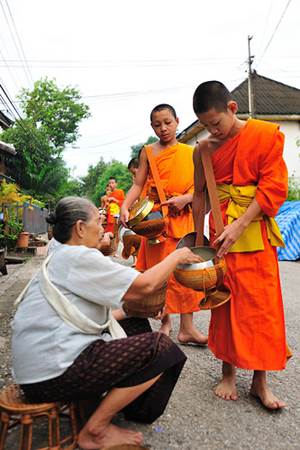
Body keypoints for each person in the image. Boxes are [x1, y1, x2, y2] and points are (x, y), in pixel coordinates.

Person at [11, 196, 201, 449]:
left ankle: (118, 403)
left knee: (136, 325)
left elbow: (102, 313)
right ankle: (95, 430)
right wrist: (177, 257)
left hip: (37, 371)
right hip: (50, 377)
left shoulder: (61, 252)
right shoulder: (78, 257)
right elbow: (145, 285)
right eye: (98, 223)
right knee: (161, 347)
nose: (104, 229)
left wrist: (136, 311)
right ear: (79, 228)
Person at [192, 80, 289, 410]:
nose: (211, 132)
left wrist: (240, 224)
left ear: (232, 109)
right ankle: (228, 374)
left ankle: (261, 383)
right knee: (224, 301)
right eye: (205, 126)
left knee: (262, 307)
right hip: (220, 233)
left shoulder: (264, 135)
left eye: (215, 124)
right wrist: (196, 240)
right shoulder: (203, 150)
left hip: (254, 230)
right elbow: (200, 195)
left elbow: (273, 187)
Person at [120, 104, 208, 345]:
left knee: (186, 272)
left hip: (183, 217)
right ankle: (165, 322)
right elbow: (138, 185)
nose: (163, 128)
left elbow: (201, 188)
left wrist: (186, 199)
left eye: (167, 122)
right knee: (159, 274)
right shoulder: (147, 152)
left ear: (177, 121)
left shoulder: (192, 152)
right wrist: (125, 206)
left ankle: (187, 328)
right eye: (158, 125)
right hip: (156, 221)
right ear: (152, 127)